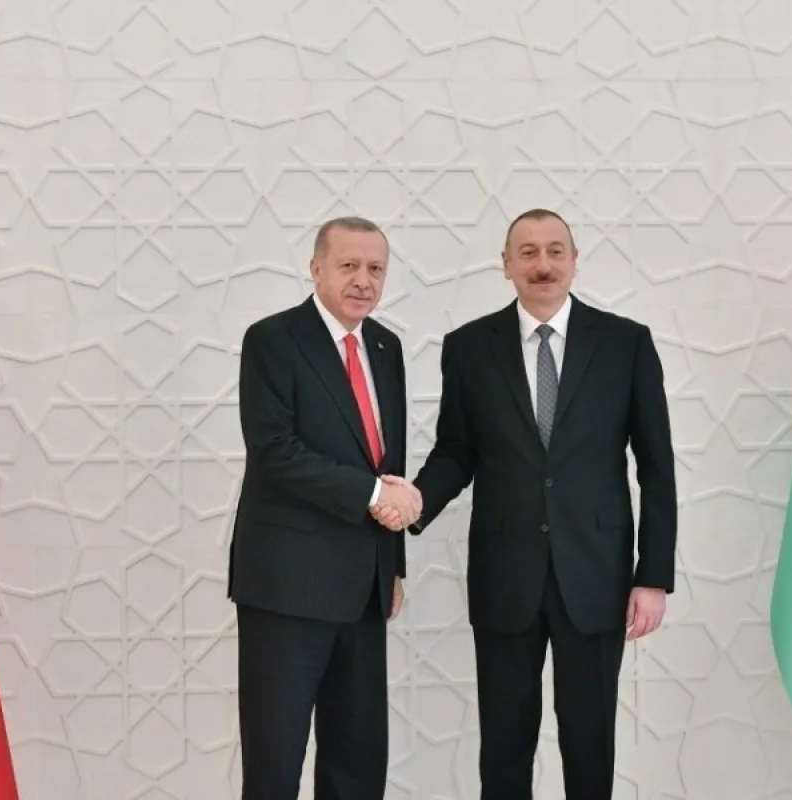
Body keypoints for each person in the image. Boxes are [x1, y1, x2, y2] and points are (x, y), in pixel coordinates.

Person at [375, 208, 677, 799]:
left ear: (574, 260)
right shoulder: (469, 348)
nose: (544, 265)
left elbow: (657, 466)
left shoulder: (626, 343)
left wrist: (653, 576)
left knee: (590, 741)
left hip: (596, 573)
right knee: (505, 743)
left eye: (556, 251)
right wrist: (414, 501)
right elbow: (458, 450)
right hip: (505, 573)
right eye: (529, 252)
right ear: (506, 264)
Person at [230, 215, 422, 800]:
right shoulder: (272, 340)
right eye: (349, 266)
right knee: (276, 761)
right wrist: (374, 496)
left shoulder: (386, 347)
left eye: (375, 269)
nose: (364, 280)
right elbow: (275, 451)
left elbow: (388, 461)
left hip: (364, 588)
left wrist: (393, 565)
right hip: (287, 586)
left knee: (357, 761)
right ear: (316, 269)